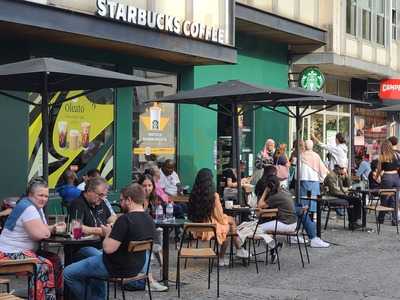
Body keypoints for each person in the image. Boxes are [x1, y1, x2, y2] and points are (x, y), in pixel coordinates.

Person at [64, 183, 156, 300]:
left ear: (129, 200)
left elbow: (108, 248)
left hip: (116, 266)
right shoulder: (149, 219)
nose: (120, 203)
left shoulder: (125, 220)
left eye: (122, 200)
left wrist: (108, 233)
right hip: (137, 267)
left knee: (67, 273)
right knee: (94, 258)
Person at [0, 177, 63, 300]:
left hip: (22, 251)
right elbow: (40, 234)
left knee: (55, 260)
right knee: (44, 265)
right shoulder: (28, 207)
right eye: (40, 195)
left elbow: (43, 229)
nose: (44, 199)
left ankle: (58, 296)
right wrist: (50, 230)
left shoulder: (35, 207)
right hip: (8, 253)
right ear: (30, 194)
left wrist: (49, 229)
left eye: (46, 196)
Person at [187, 168, 249, 266]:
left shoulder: (193, 195)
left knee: (230, 222)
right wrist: (226, 219)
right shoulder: (213, 196)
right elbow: (219, 216)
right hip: (209, 228)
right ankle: (224, 255)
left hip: (195, 228)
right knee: (229, 227)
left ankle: (239, 249)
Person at [257, 175, 329, 248]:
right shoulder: (284, 191)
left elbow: (260, 205)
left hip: (286, 223)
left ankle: (274, 246)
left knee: (256, 229)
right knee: (302, 212)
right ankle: (313, 238)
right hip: (290, 221)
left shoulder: (276, 196)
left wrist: (265, 191)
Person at [132, 174, 168, 292]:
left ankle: (163, 272)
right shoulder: (136, 200)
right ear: (139, 186)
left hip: (152, 229)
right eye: (144, 186)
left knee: (158, 232)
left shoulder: (155, 198)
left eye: (149, 185)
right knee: (154, 238)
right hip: (138, 232)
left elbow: (158, 215)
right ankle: (151, 279)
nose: (147, 188)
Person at [68, 177, 117, 258]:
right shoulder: (77, 204)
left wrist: (114, 224)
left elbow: (111, 218)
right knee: (106, 259)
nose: (102, 198)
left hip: (102, 245)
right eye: (100, 194)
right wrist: (100, 231)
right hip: (83, 247)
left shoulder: (100, 202)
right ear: (89, 191)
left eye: (104, 195)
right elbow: (76, 229)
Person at [324, 164, 362, 230]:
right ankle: (353, 222)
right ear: (336, 168)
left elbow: (349, 185)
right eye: (341, 168)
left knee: (356, 200)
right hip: (332, 195)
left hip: (338, 194)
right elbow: (334, 190)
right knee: (354, 200)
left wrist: (346, 175)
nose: (342, 170)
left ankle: (354, 222)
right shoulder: (331, 176)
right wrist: (346, 191)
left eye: (343, 168)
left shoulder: (339, 175)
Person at [299, 140, 329, 213]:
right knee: (314, 198)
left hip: (304, 179)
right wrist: (323, 178)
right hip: (314, 180)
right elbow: (322, 169)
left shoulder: (301, 155)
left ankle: (305, 213)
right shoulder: (316, 155)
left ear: (305, 146)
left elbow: (298, 169)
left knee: (304, 198)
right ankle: (314, 215)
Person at [377, 140, 400, 224]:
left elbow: (379, 169)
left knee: (384, 198)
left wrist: (377, 177)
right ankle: (395, 220)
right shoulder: (396, 155)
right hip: (396, 178)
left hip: (387, 178)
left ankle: (381, 219)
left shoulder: (382, 156)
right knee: (395, 200)